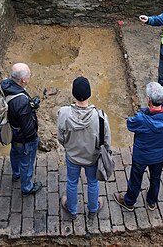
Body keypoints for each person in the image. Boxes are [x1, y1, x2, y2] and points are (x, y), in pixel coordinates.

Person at [114, 82, 163, 211]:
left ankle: (129, 201)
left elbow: (130, 125)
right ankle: (152, 201)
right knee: (155, 178)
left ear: (148, 99)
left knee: (136, 179)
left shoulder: (142, 119)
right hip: (159, 155)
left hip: (141, 156)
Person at [57, 77, 111, 219]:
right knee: (93, 182)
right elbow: (106, 142)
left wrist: (68, 147)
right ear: (89, 93)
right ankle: (93, 209)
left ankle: (72, 209)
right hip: (92, 158)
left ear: (73, 94)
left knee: (72, 181)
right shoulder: (100, 117)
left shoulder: (63, 113)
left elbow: (60, 137)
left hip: (73, 157)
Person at [0, 63, 42, 195]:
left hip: (12, 131)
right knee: (27, 162)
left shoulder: (5, 84)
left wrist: (31, 107)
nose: (30, 77)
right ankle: (27, 187)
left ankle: (16, 174)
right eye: (29, 75)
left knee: (14, 153)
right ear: (23, 80)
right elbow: (28, 129)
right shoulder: (22, 102)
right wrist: (34, 140)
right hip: (23, 139)